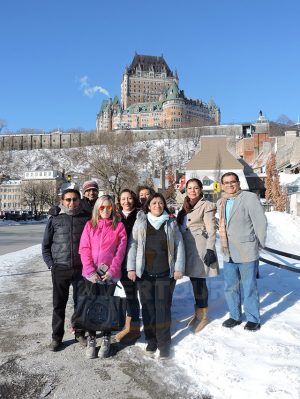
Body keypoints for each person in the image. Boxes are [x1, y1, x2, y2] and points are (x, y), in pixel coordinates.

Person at [127, 193, 185, 360]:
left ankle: (164, 343)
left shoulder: (171, 222)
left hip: (164, 274)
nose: (157, 206)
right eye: (154, 203)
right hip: (144, 274)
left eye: (160, 203)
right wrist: (131, 267)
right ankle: (151, 339)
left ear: (164, 205)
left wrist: (179, 267)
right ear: (148, 205)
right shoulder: (141, 222)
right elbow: (133, 245)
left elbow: (179, 245)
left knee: (163, 309)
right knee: (147, 308)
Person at [217, 172, 267, 331]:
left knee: (249, 286)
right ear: (222, 185)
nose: (229, 185)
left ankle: (253, 318)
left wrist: (258, 245)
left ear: (238, 183)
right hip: (228, 251)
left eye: (233, 182)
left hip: (246, 250)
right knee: (230, 286)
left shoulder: (249, 198)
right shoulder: (221, 201)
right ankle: (234, 316)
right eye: (226, 182)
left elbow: (260, 222)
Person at [79, 195, 127, 359]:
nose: (105, 210)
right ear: (97, 209)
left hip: (109, 276)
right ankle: (92, 339)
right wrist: (91, 271)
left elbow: (120, 252)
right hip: (91, 275)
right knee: (91, 306)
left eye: (109, 207)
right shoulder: (89, 225)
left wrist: (112, 271)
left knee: (108, 307)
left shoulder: (119, 226)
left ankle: (106, 339)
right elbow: (84, 249)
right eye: (102, 207)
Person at [42, 189, 90, 351]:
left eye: (75, 199)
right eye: (68, 199)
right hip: (60, 268)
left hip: (81, 268)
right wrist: (51, 264)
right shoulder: (55, 218)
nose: (71, 203)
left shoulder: (86, 217)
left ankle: (79, 332)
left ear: (79, 200)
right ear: (62, 201)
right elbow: (46, 245)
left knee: (81, 303)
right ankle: (57, 337)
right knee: (59, 305)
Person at [177, 178, 219, 333]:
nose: (192, 191)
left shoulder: (206, 206)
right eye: (189, 188)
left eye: (196, 188)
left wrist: (210, 249)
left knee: (199, 283)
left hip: (199, 248)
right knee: (194, 282)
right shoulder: (185, 206)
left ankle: (204, 315)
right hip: (187, 248)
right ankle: (198, 313)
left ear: (201, 190)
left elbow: (211, 229)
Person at [114, 189, 141, 344]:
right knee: (125, 295)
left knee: (132, 296)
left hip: (136, 262)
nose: (126, 201)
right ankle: (127, 325)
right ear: (119, 201)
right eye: (123, 199)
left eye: (129, 198)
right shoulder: (116, 217)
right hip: (120, 262)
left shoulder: (140, 215)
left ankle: (134, 329)